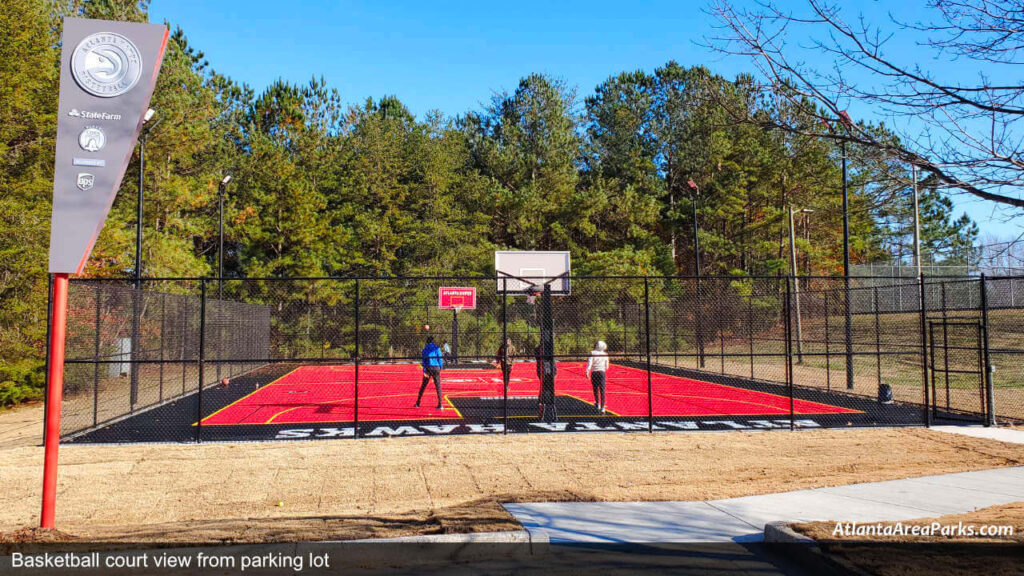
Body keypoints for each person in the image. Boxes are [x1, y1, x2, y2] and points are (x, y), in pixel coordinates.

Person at [416, 336, 444, 409]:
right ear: (432, 341)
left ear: (427, 342)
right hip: (436, 368)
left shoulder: (425, 349)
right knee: (438, 386)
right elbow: (439, 358)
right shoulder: (436, 348)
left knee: (423, 386)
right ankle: (440, 404)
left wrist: (424, 370)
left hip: (428, 368)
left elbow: (424, 361)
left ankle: (418, 403)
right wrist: (440, 367)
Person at [586, 340, 609, 413]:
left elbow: (590, 363)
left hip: (594, 372)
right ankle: (602, 407)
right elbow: (607, 366)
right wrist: (602, 368)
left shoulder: (592, 353)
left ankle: (597, 403)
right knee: (602, 390)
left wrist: (587, 371)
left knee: (595, 388)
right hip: (602, 372)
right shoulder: (605, 354)